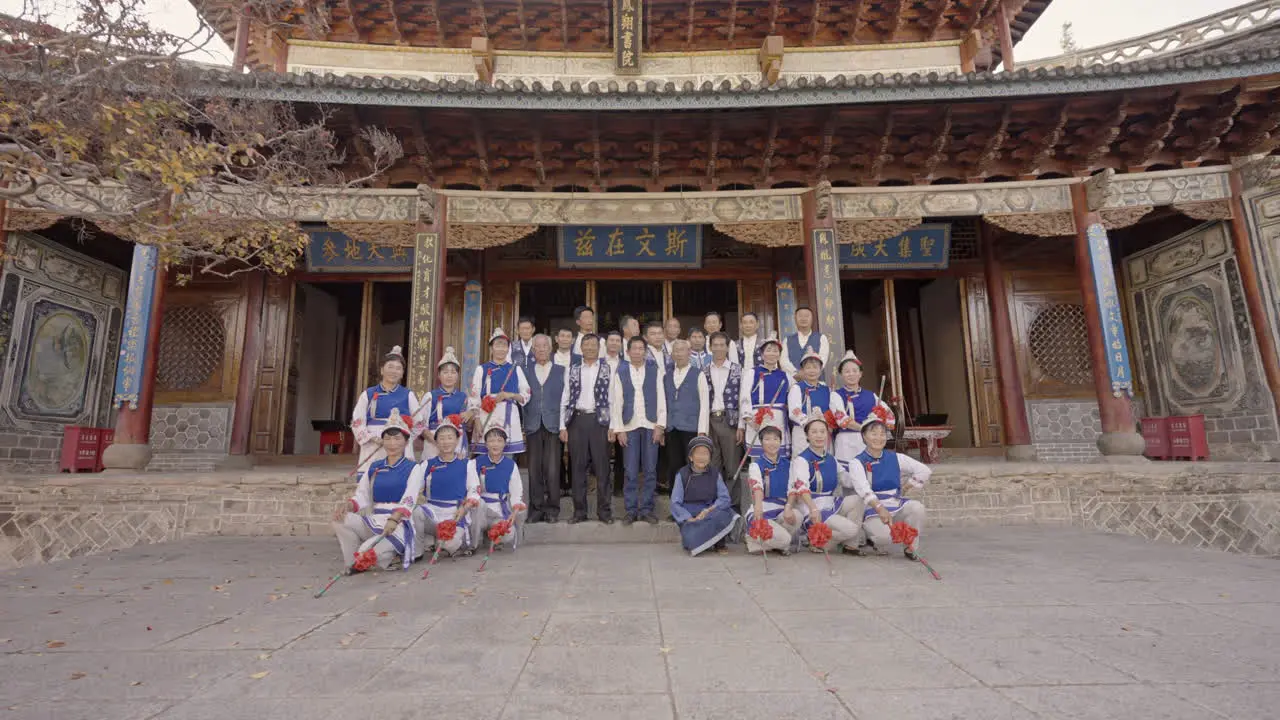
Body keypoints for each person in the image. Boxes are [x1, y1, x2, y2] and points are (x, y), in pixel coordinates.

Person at [333, 413, 423, 571]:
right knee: (340, 520)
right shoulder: (375, 466)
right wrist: (348, 506)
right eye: (387, 439)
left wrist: (394, 519)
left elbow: (409, 499)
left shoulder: (413, 468)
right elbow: (362, 495)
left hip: (398, 524)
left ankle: (380, 553)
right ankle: (353, 562)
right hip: (374, 520)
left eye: (397, 439)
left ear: (406, 441)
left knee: (373, 554)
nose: (392, 443)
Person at [849, 420, 930, 559]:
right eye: (873, 434)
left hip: (895, 503)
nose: (878, 438)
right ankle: (869, 535)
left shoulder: (895, 457)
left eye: (882, 434)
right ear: (864, 436)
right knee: (884, 539)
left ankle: (910, 548)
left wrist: (906, 486)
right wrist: (880, 508)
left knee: (917, 508)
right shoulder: (856, 462)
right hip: (872, 508)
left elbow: (924, 470)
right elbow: (863, 489)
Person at [789, 411, 864, 552]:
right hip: (811, 508)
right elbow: (802, 487)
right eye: (814, 432)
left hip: (830, 503)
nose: (819, 435)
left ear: (827, 435)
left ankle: (850, 545)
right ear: (807, 435)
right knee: (852, 529)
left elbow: (847, 481)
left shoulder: (831, 459)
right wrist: (813, 509)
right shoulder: (802, 460)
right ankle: (817, 540)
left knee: (858, 500)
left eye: (822, 431)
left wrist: (866, 479)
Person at [611, 336, 667, 525]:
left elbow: (661, 397)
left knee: (651, 470)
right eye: (633, 348)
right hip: (629, 426)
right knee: (630, 471)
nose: (637, 351)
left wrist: (660, 425)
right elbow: (616, 402)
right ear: (627, 352)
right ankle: (631, 510)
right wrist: (619, 429)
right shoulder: (621, 371)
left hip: (651, 425)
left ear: (645, 351)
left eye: (641, 348)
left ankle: (647, 509)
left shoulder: (654, 370)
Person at [561, 333, 614, 524]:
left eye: (594, 345)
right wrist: (563, 426)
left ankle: (604, 512)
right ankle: (579, 512)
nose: (590, 348)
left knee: (603, 469)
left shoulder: (608, 369)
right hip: (577, 420)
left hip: (600, 421)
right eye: (587, 345)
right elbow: (565, 398)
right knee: (578, 468)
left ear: (599, 348)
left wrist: (613, 426)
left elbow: (613, 400)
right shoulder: (572, 369)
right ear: (581, 348)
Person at [411, 420, 479, 557]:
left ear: (457, 440)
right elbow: (412, 490)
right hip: (433, 514)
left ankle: (451, 541)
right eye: (441, 438)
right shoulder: (426, 465)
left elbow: (474, 490)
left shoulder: (467, 464)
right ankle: (417, 552)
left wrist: (465, 507)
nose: (446, 442)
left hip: (455, 514)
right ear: (436, 442)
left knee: (450, 545)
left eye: (450, 438)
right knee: (417, 511)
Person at [351, 346, 424, 467]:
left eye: (398, 368)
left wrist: (403, 439)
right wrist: (372, 438)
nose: (394, 371)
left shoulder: (408, 395)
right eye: (390, 367)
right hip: (374, 443)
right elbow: (357, 421)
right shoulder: (368, 394)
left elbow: (419, 423)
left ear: (402, 374)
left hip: (400, 446)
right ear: (381, 370)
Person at [670, 436, 739, 556]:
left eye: (705, 454)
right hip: (690, 512)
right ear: (691, 457)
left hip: (709, 510)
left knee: (726, 513)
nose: (702, 457)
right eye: (698, 453)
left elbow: (724, 498)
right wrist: (689, 518)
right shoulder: (682, 474)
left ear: (710, 457)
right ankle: (700, 540)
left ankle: (718, 543)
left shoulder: (715, 473)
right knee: (691, 538)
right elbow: (675, 502)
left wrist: (708, 510)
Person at [469, 327, 531, 456]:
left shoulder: (516, 369)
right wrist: (477, 420)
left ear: (508, 349)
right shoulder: (482, 369)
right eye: (497, 345)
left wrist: (510, 395)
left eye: (504, 345)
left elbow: (526, 394)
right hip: (486, 414)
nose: (501, 349)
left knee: (507, 457)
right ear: (491, 349)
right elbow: (474, 397)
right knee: (484, 457)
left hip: (509, 416)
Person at [523, 334, 564, 523]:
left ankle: (553, 509)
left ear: (550, 348)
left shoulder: (561, 370)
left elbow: (566, 401)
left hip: (553, 424)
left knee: (552, 469)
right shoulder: (524, 370)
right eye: (537, 347)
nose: (541, 349)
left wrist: (564, 425)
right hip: (532, 425)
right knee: (534, 469)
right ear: (532, 351)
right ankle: (536, 508)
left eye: (544, 346)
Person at [704, 331, 745, 514]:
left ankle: (733, 507)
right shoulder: (704, 371)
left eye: (722, 345)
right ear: (710, 347)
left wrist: (741, 426)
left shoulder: (738, 369)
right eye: (716, 345)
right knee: (713, 466)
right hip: (710, 420)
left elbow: (743, 399)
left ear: (728, 347)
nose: (719, 348)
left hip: (730, 423)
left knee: (732, 467)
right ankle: (716, 506)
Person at [833, 351, 896, 465]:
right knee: (847, 479)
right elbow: (842, 420)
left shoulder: (871, 395)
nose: (851, 374)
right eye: (847, 371)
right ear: (841, 375)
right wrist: (866, 428)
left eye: (854, 371)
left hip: (868, 442)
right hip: (846, 443)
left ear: (860, 373)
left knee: (869, 475)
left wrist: (879, 422)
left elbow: (890, 416)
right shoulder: (836, 395)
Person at [664, 339, 709, 493]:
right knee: (674, 466)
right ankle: (675, 505)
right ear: (672, 354)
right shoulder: (667, 375)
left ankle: (693, 505)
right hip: (672, 428)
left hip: (692, 428)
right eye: (675, 351)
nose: (679, 353)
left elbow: (704, 404)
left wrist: (702, 431)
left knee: (693, 466)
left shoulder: (698, 374)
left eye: (682, 350)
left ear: (689, 353)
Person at [744, 426, 797, 555]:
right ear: (761, 443)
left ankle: (771, 543)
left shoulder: (789, 464)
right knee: (786, 540)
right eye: (767, 439)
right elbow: (757, 487)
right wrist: (758, 507)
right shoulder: (756, 465)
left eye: (775, 439)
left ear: (780, 441)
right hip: (763, 508)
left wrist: (789, 506)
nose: (772, 443)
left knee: (797, 516)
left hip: (781, 508)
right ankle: (755, 538)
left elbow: (793, 488)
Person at [472, 426, 527, 549]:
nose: (495, 444)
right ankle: (472, 545)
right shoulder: (476, 462)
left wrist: (514, 509)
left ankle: (492, 537)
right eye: (491, 441)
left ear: (505, 444)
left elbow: (516, 490)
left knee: (508, 534)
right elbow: (471, 488)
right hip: (480, 509)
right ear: (486, 444)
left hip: (499, 507)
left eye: (499, 440)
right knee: (477, 504)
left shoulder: (511, 465)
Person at [741, 335, 790, 459]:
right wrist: (749, 420)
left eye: (775, 351)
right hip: (756, 420)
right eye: (768, 350)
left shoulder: (786, 376)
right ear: (762, 355)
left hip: (778, 420)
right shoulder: (752, 373)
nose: (772, 354)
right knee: (758, 460)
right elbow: (744, 397)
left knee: (777, 458)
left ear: (779, 355)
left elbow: (793, 397)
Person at [422, 346, 472, 460]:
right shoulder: (430, 396)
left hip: (457, 443)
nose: (449, 375)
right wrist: (437, 441)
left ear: (458, 376)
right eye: (445, 372)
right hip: (434, 443)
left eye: (453, 372)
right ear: (439, 375)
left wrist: (471, 415)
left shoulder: (464, 397)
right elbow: (421, 426)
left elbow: (468, 427)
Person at [787, 348, 840, 456]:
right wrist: (812, 424)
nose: (812, 371)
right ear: (802, 370)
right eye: (808, 367)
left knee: (824, 463)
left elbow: (833, 411)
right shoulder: (797, 388)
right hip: (803, 433)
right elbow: (794, 412)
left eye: (815, 367)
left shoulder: (826, 389)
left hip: (823, 434)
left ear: (821, 370)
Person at [781, 307, 831, 378]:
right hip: (794, 382)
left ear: (812, 319)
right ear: (795, 319)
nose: (803, 318)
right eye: (800, 316)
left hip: (816, 382)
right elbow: (783, 361)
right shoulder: (787, 340)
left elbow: (823, 358)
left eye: (807, 316)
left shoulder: (821, 338)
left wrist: (811, 372)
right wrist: (796, 373)